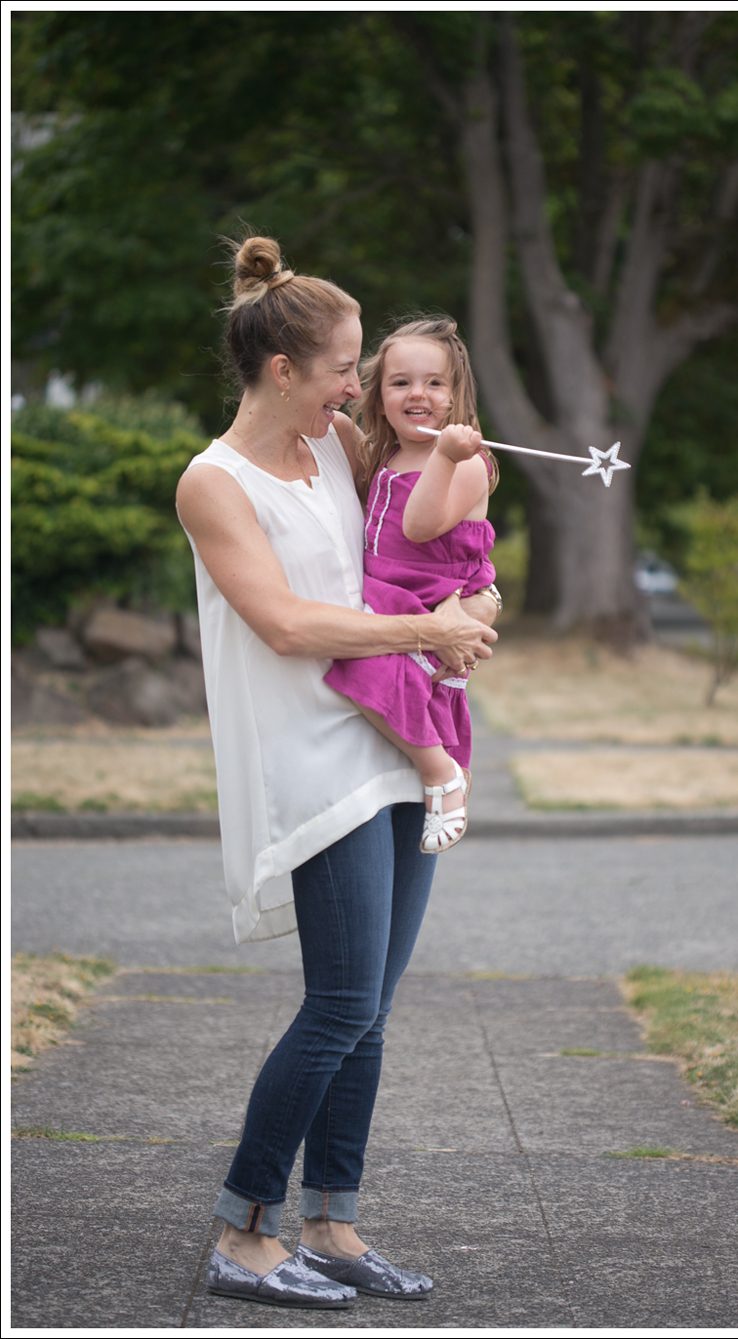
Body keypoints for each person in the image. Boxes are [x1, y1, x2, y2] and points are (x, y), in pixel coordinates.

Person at [175, 236, 498, 1310]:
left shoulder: (334, 449)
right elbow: (284, 620)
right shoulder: (212, 483)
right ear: (281, 370)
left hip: (389, 744)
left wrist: (472, 611)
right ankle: (244, 1228)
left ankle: (333, 1222)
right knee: (339, 1001)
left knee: (371, 1009)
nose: (357, 387)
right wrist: (422, 630)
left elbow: (420, 555)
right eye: (344, 368)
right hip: (311, 764)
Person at [325, 317, 501, 854]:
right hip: (391, 596)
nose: (417, 393)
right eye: (400, 382)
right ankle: (439, 770)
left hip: (427, 600)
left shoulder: (466, 463)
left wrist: (446, 457)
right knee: (369, 668)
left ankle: (440, 772)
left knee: (365, 669)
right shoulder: (385, 455)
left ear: (455, 396)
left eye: (434, 383)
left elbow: (419, 527)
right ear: (378, 395)